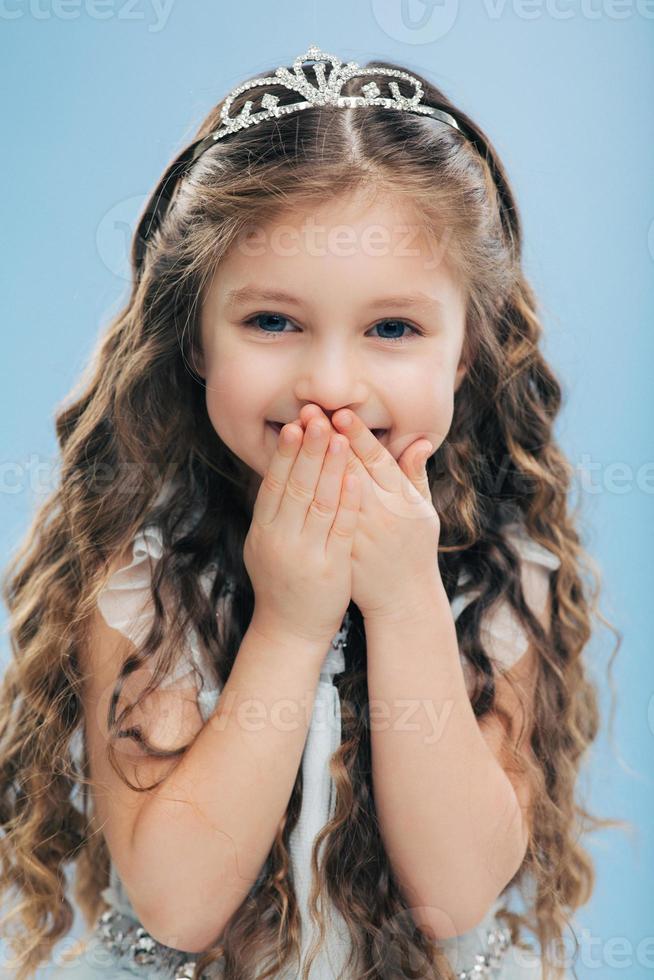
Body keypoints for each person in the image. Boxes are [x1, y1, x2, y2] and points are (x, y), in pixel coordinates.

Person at [0, 42, 623, 980]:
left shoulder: (498, 573)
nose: (331, 384)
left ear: (464, 354)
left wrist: (407, 596)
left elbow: (455, 895)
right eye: (273, 322)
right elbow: (178, 903)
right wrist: (290, 624)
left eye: (393, 329)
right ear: (195, 338)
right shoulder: (146, 580)